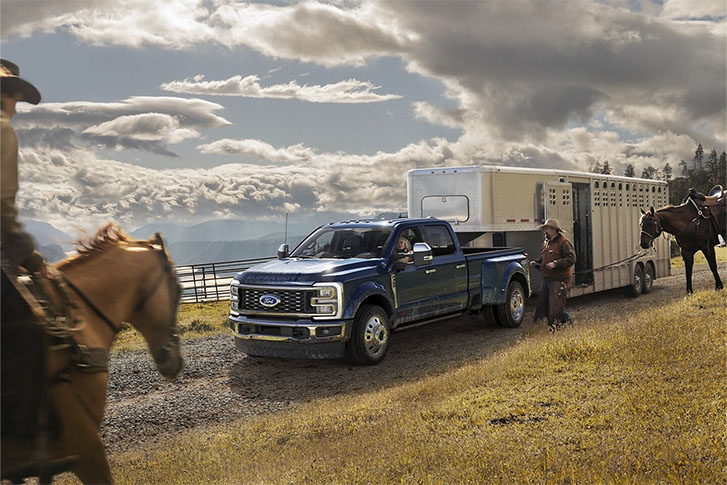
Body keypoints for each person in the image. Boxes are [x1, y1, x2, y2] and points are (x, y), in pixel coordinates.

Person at [531, 218, 576, 332]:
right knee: (547, 305)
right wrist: (536, 263)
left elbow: (571, 259)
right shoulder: (546, 243)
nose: (545, 231)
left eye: (547, 228)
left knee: (555, 308)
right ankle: (564, 326)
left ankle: (562, 328)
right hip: (547, 279)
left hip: (559, 279)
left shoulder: (564, 242)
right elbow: (543, 260)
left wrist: (556, 264)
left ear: (554, 230)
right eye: (545, 228)